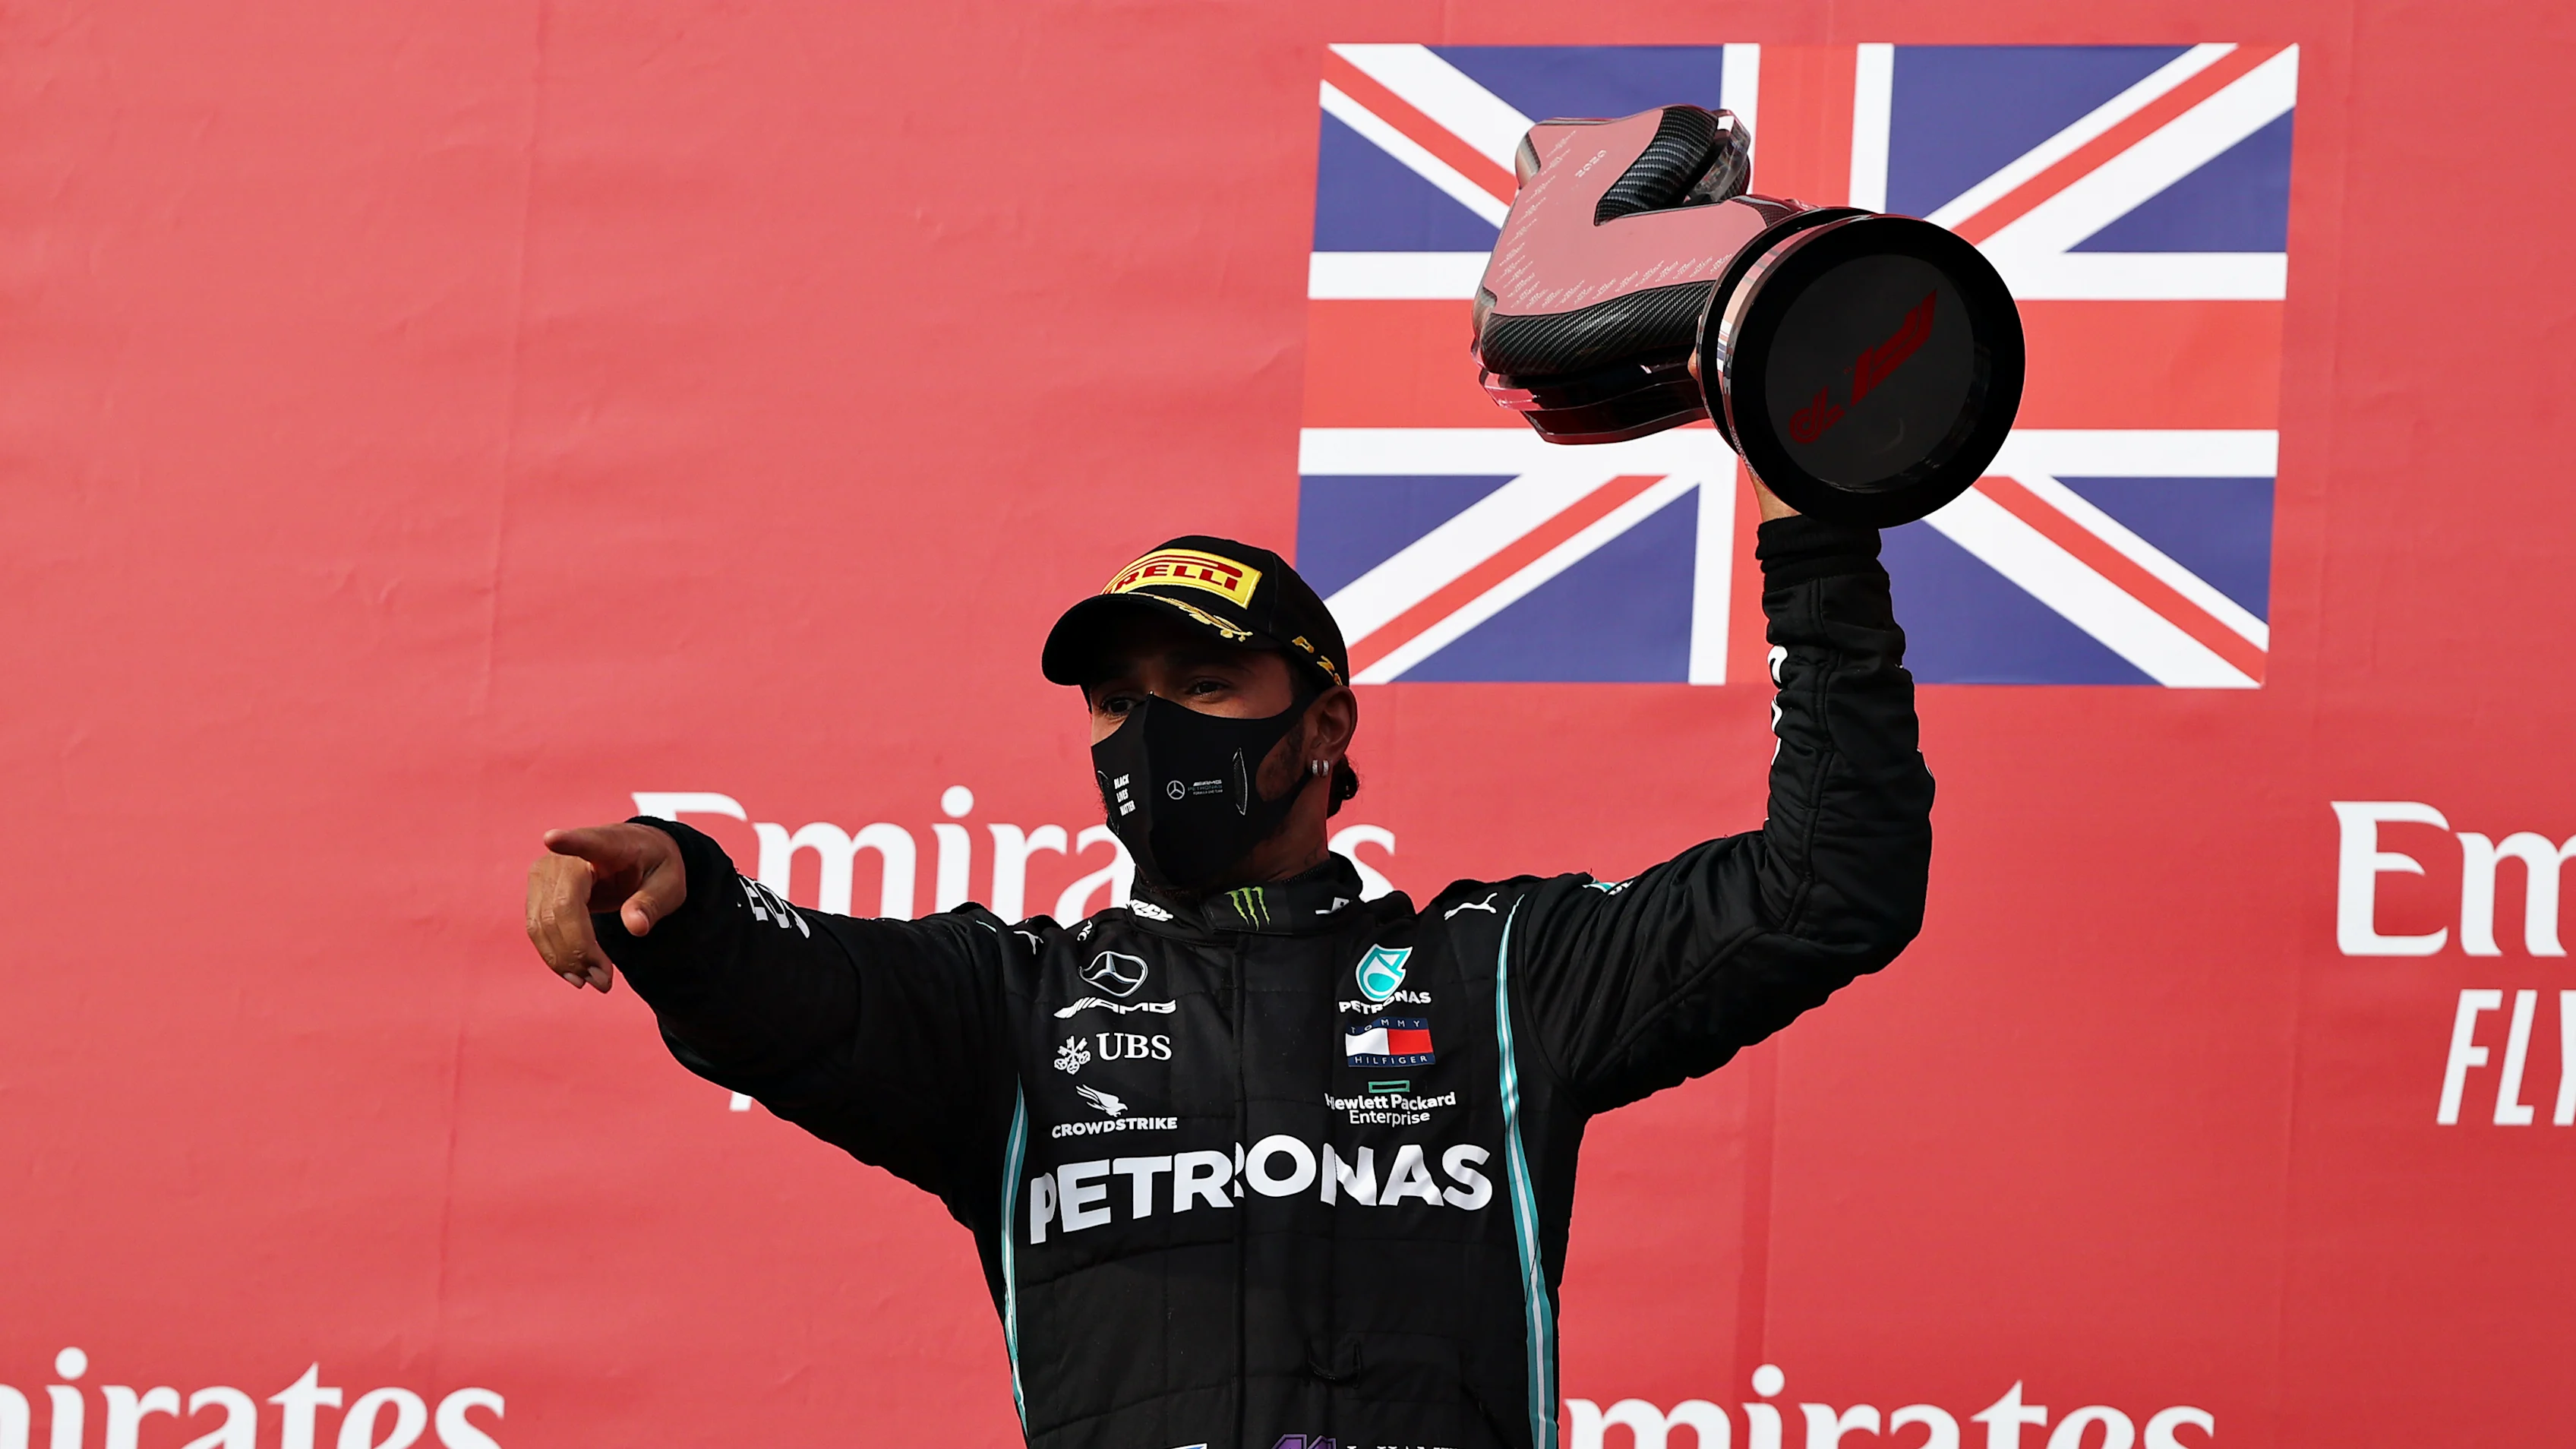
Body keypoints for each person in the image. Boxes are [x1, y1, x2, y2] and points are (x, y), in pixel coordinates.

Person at [523, 484, 1934, 1449]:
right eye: (1114, 702)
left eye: (1201, 691)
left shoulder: (1496, 976)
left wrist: (1814, 544)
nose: (1148, 735)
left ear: (1324, 727)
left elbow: (1826, 887)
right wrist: (688, 890)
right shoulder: (1012, 1007)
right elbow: (798, 994)